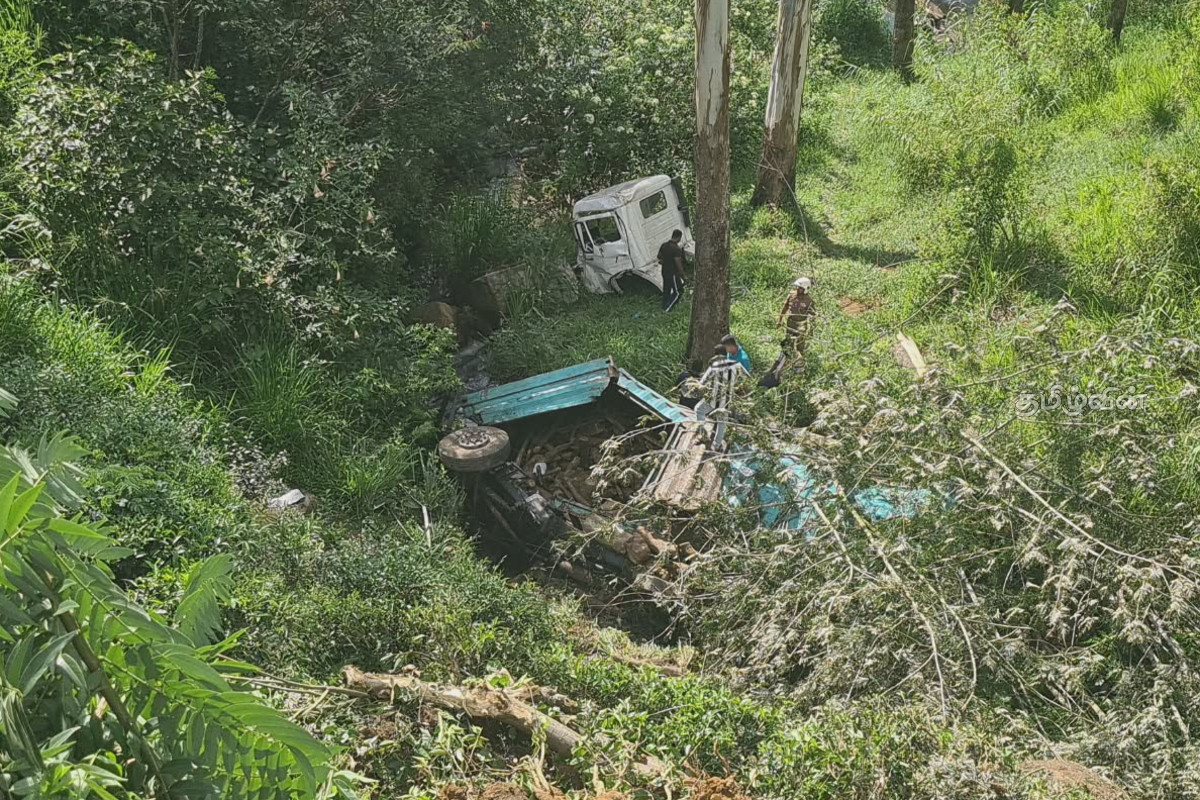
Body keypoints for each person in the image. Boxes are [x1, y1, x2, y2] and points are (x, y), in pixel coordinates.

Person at [778, 277, 816, 357]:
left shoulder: (809, 300)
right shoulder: (792, 295)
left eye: (800, 288)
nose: (798, 289)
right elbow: (785, 307)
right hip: (790, 323)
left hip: (801, 326)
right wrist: (780, 320)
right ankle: (786, 359)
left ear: (805, 289)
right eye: (798, 287)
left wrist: (811, 330)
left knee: (800, 345)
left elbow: (813, 316)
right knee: (788, 343)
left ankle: (799, 362)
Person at [657, 230, 686, 312]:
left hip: (664, 271)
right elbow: (678, 264)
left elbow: (659, 256)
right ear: (679, 237)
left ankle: (664, 304)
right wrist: (683, 275)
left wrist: (665, 261)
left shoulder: (664, 245)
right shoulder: (676, 249)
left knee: (667, 289)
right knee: (678, 292)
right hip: (673, 273)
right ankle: (667, 309)